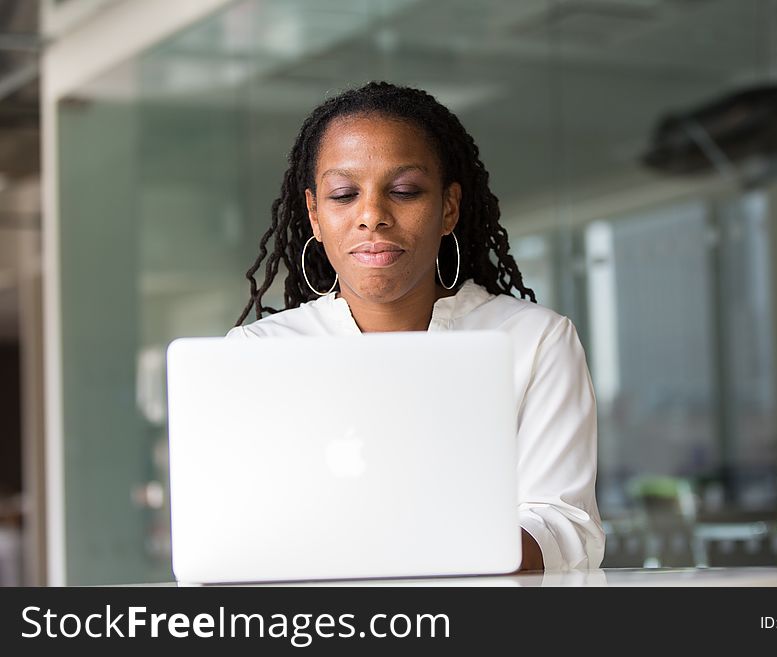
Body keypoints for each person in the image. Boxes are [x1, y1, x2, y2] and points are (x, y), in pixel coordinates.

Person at [227, 81, 604, 571]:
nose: (372, 217)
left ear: (448, 207)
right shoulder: (256, 353)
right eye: (344, 194)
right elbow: (234, 529)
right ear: (315, 216)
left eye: (404, 191)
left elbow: (564, 527)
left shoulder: (532, 340)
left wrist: (398, 550)